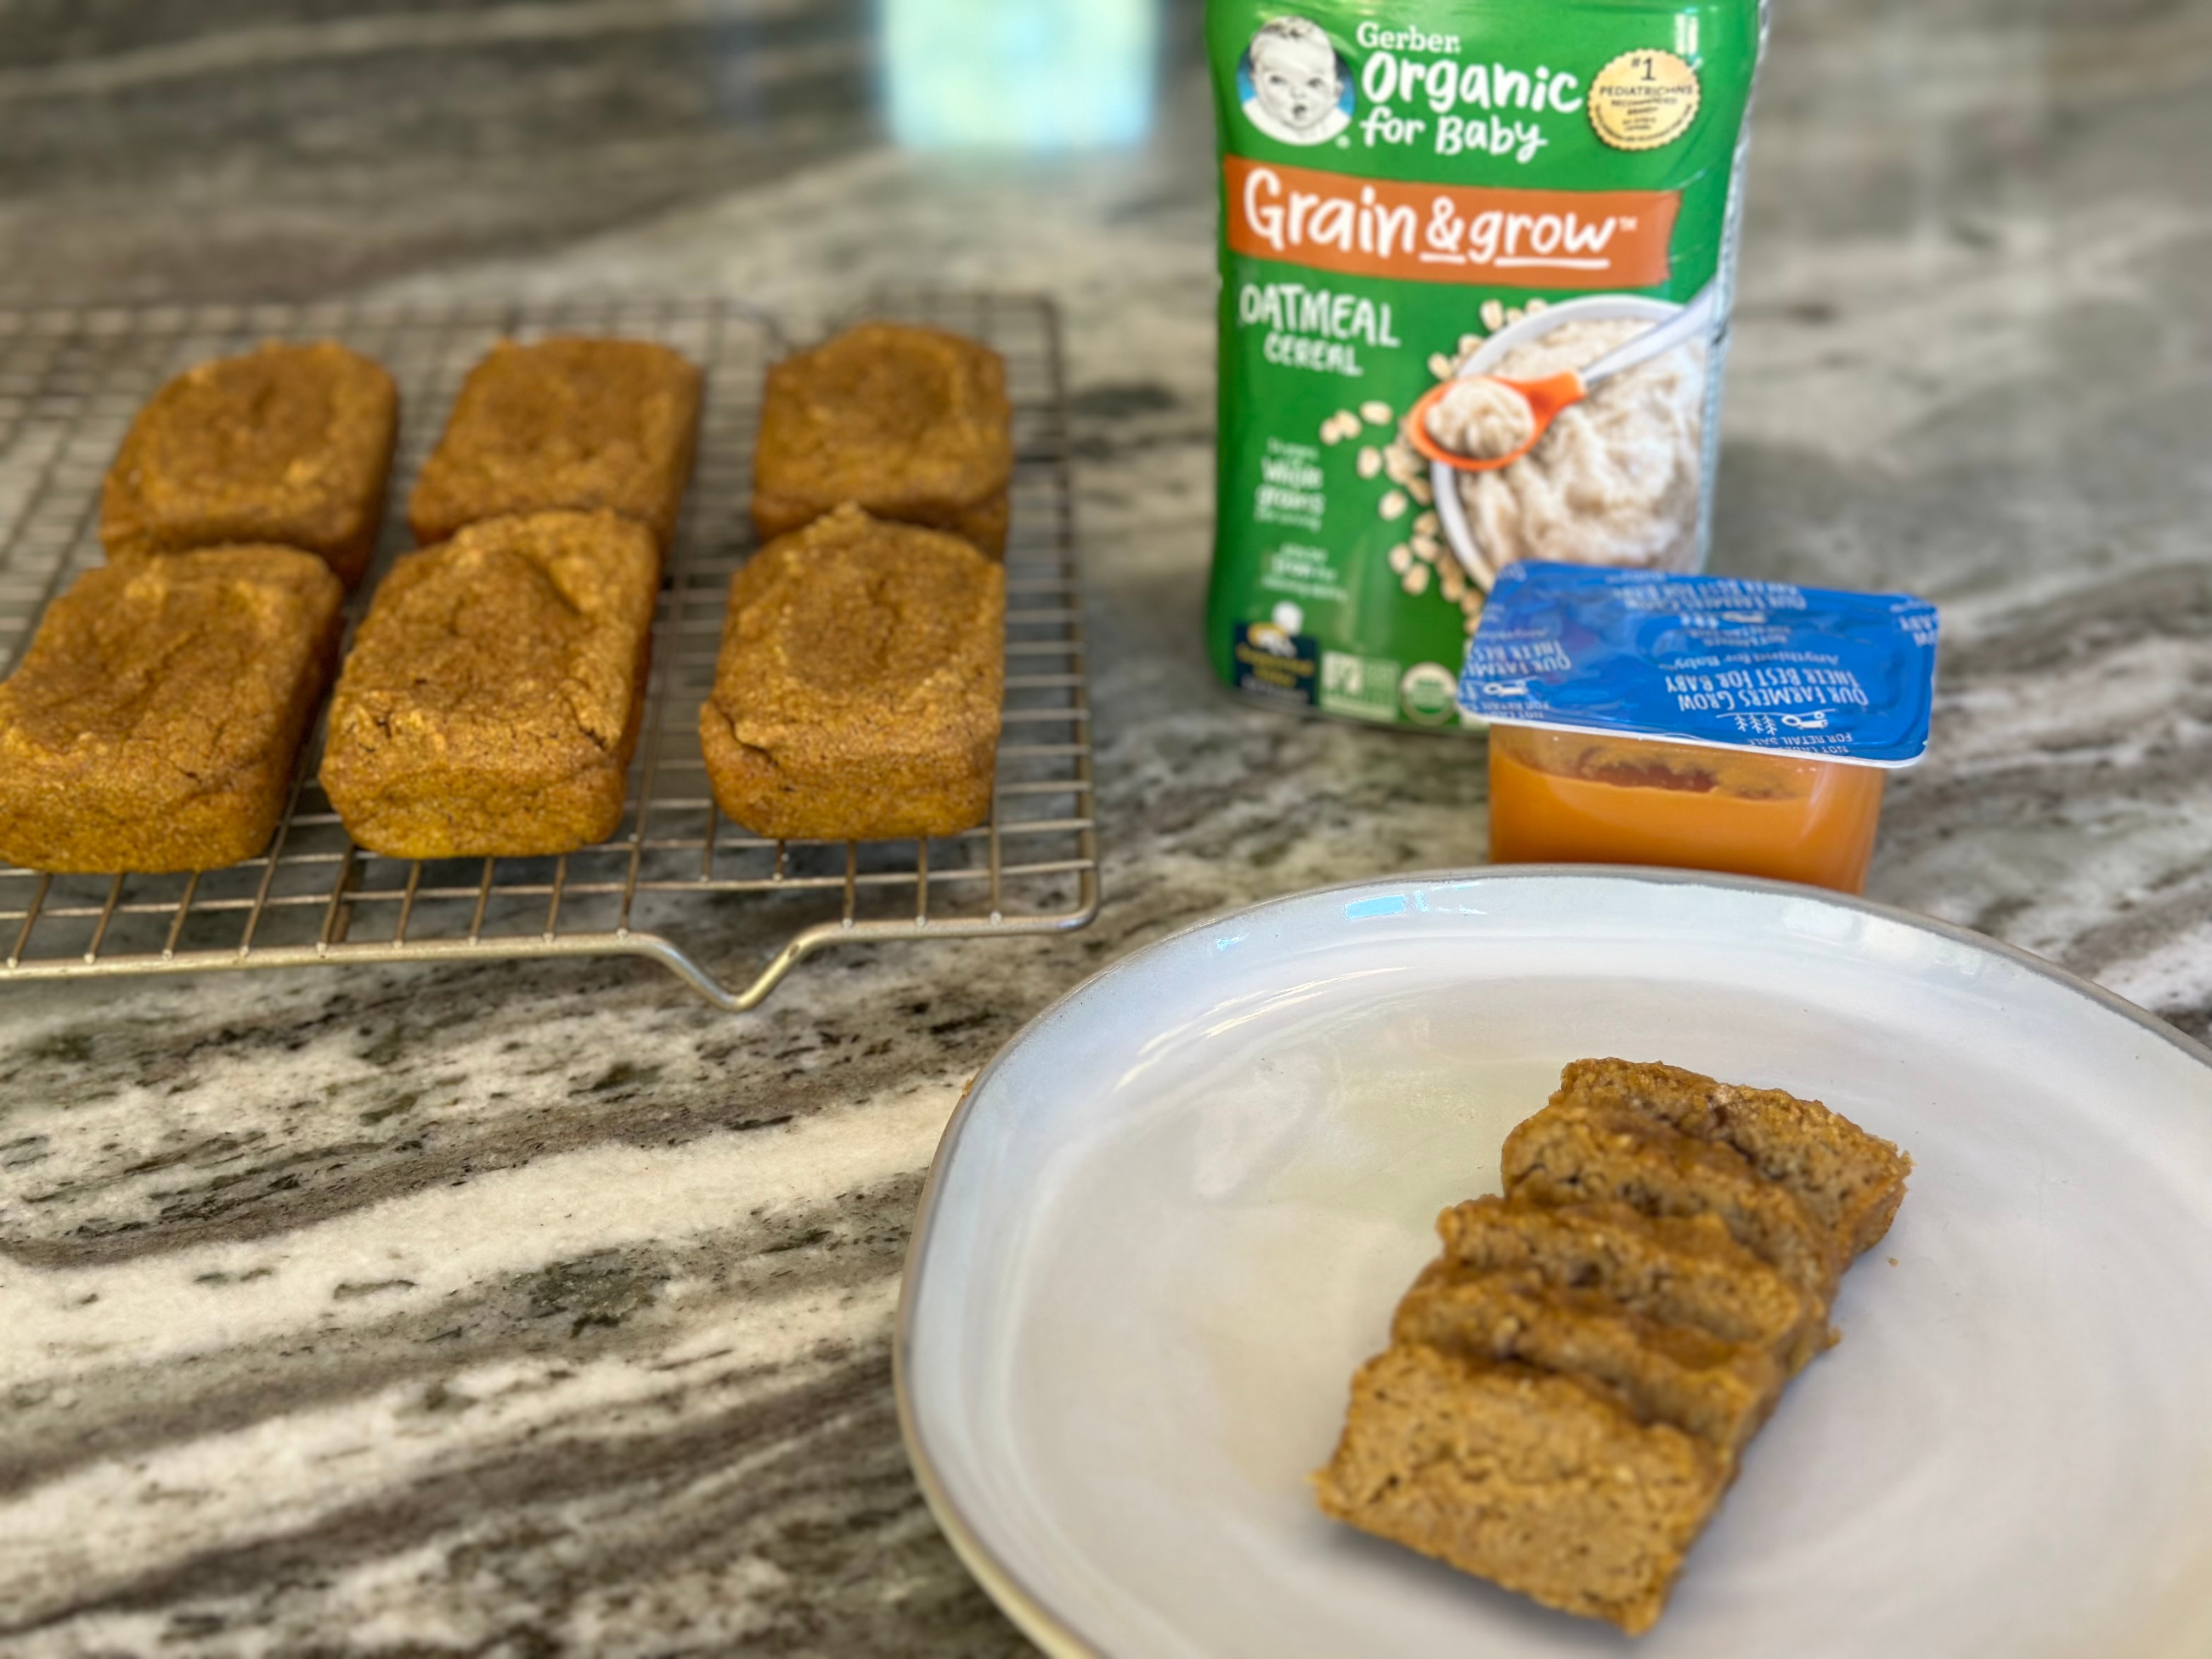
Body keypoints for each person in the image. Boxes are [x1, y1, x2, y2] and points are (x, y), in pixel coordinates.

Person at [1243, 17, 1350, 145]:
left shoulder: (1338, 122)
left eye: (1313, 83)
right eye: (1279, 81)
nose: (1297, 93)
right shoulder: (1252, 120)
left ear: (1336, 93)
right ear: (1256, 85)